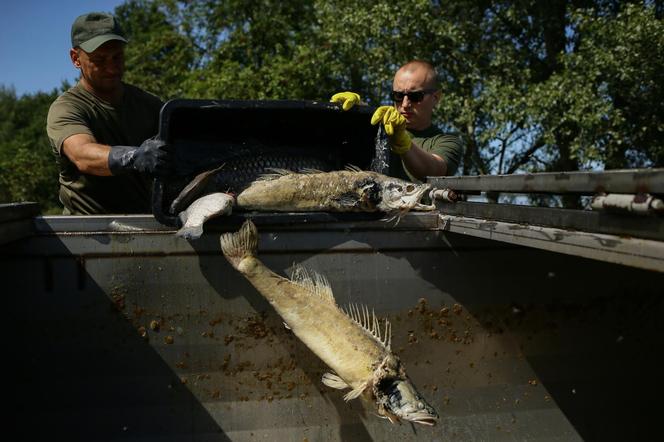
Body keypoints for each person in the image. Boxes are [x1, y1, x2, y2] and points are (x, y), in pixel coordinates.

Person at [46, 12, 171, 215]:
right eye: (100, 60)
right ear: (76, 58)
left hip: (145, 224)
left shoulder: (149, 105)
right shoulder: (67, 108)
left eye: (117, 57)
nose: (112, 68)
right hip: (87, 233)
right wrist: (135, 156)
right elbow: (82, 155)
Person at [331, 60, 463, 181]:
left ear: (436, 97)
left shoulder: (448, 142)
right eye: (398, 95)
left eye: (415, 96)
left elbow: (433, 170)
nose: (405, 104)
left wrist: (403, 141)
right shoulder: (379, 127)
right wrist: (355, 112)